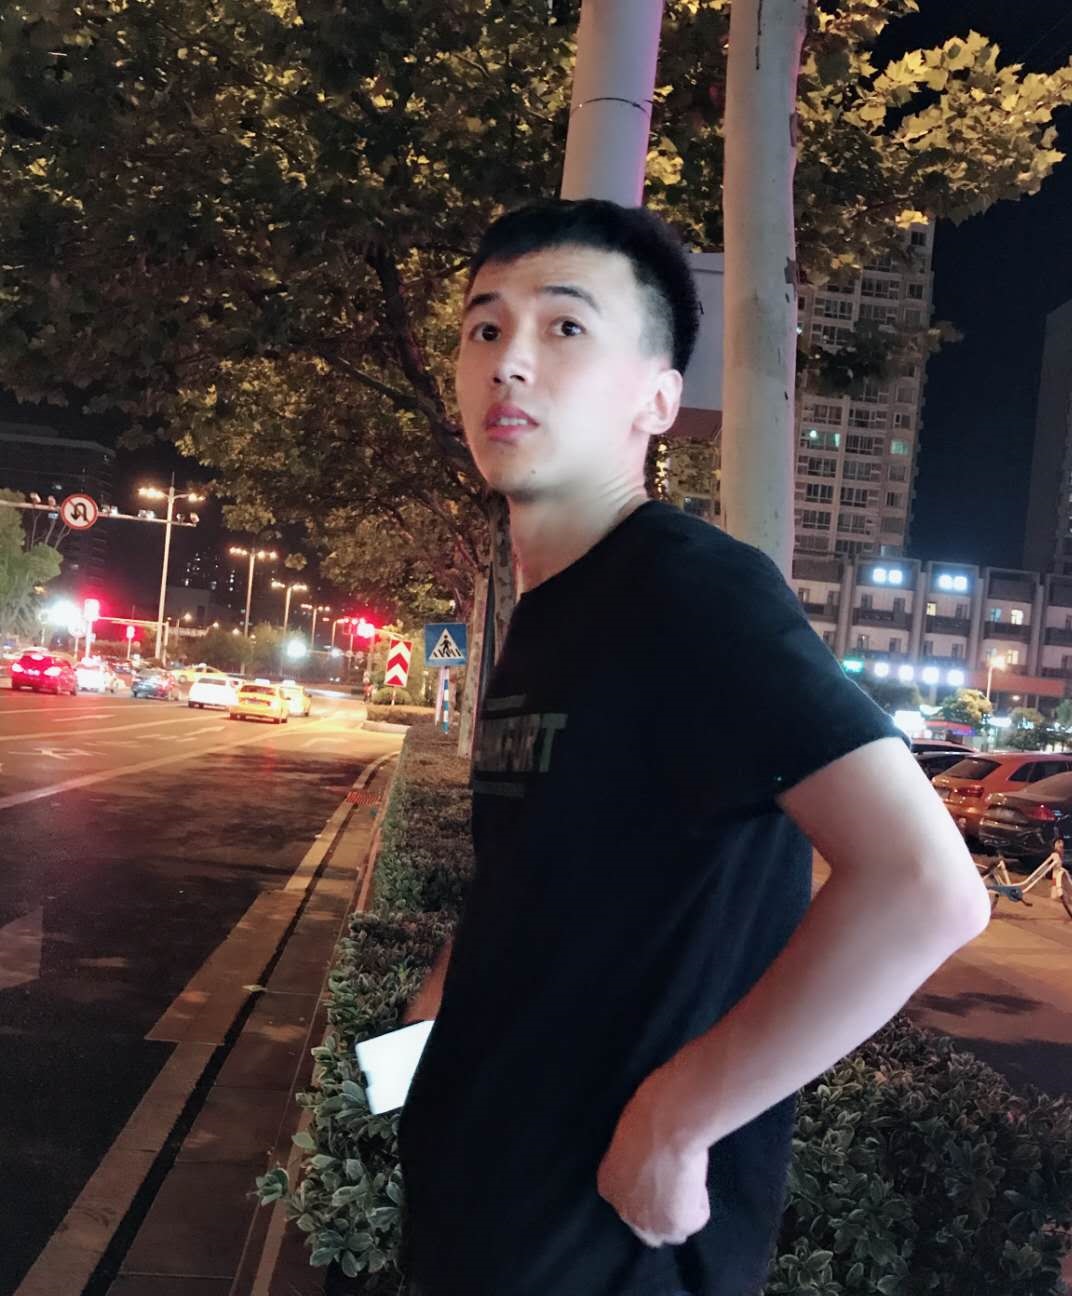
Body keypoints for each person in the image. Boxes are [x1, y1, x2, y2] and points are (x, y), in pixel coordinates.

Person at [396, 199, 991, 1296]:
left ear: (658, 400)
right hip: (484, 1211)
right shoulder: (549, 612)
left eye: (565, 327)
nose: (509, 360)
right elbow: (542, 867)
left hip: (604, 1250)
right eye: (484, 327)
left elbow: (926, 889)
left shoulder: (691, 591)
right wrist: (427, 1024)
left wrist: (680, 1121)